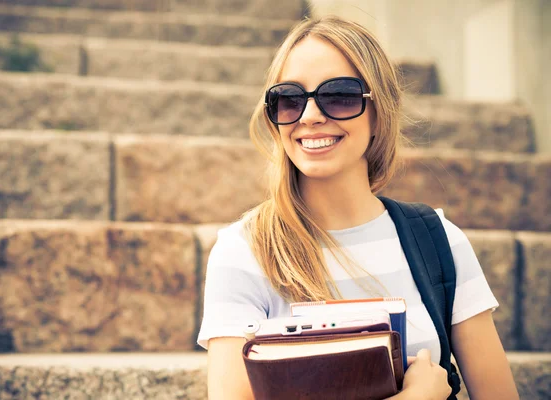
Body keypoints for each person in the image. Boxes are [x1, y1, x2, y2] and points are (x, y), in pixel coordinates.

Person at [197, 16, 519, 400]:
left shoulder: (438, 241)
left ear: (379, 110)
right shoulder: (244, 252)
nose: (311, 116)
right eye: (289, 99)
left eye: (339, 96)